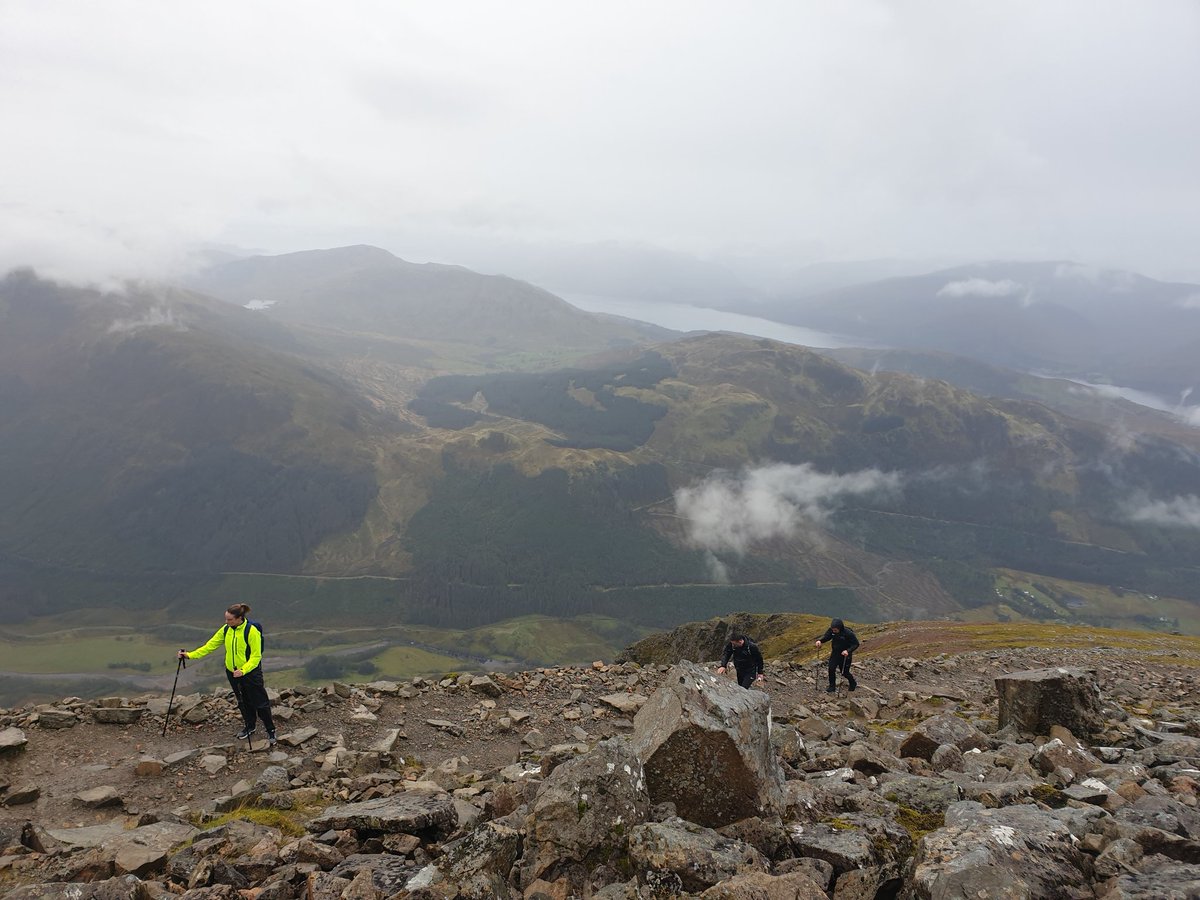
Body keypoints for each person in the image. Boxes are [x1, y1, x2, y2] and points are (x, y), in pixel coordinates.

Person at [180, 603, 276, 744]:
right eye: (226, 619)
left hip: (250, 673)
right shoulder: (226, 630)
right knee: (243, 701)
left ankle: (271, 730)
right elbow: (209, 646)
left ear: (240, 618)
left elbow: (256, 656)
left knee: (260, 702)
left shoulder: (251, 631)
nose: (226, 622)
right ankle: (250, 726)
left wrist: (243, 670)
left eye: (230, 619)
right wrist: (189, 655)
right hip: (232, 672)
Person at [815, 618, 859, 692]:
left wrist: (848, 651)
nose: (833, 631)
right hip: (835, 653)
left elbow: (856, 644)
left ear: (840, 628)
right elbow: (827, 637)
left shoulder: (848, 633)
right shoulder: (832, 631)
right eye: (833, 630)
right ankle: (832, 686)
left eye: (835, 630)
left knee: (844, 672)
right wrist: (820, 641)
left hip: (845, 655)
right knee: (831, 668)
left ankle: (853, 683)